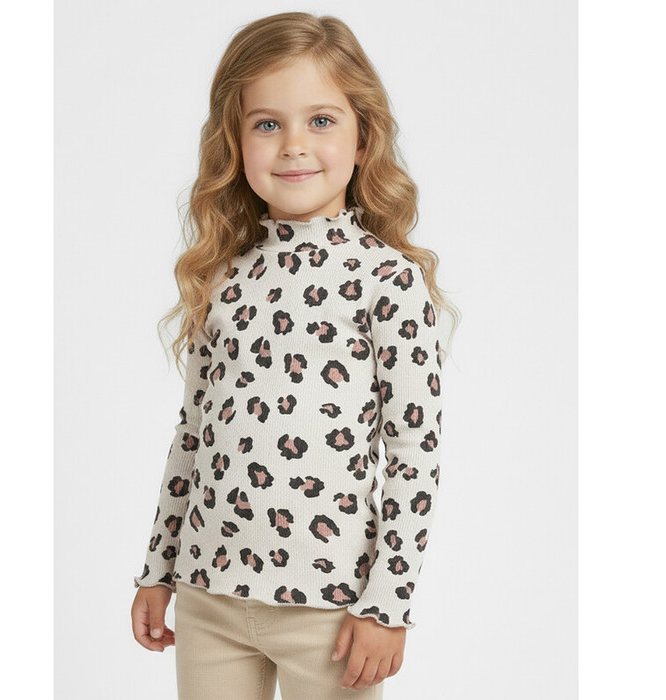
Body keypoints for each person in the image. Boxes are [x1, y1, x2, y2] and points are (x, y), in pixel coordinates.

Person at [130, 11, 460, 700]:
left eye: (321, 120)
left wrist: (388, 605)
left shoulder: (388, 282)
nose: (293, 146)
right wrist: (158, 569)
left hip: (332, 611)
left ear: (363, 137)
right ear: (235, 141)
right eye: (267, 124)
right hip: (209, 596)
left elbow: (414, 453)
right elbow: (192, 437)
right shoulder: (224, 278)